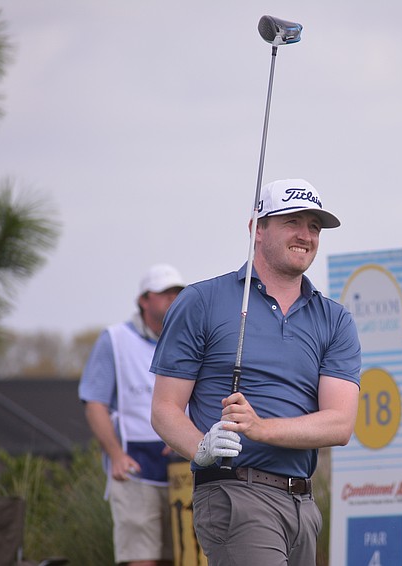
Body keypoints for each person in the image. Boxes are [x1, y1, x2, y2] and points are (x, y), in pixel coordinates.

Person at [150, 178, 362, 566]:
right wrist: (202, 448)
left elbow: (340, 424)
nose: (306, 235)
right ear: (257, 229)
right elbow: (164, 409)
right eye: (291, 222)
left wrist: (261, 428)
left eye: (314, 226)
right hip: (235, 492)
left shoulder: (335, 319)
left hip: (303, 504)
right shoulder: (201, 302)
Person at [79, 263, 186, 566]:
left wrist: (183, 437)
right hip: (134, 467)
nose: (173, 299)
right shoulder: (114, 339)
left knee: (184, 556)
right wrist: (115, 455)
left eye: (177, 293)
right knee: (142, 558)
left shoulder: (188, 339)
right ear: (144, 299)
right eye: (165, 293)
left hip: (183, 467)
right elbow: (94, 402)